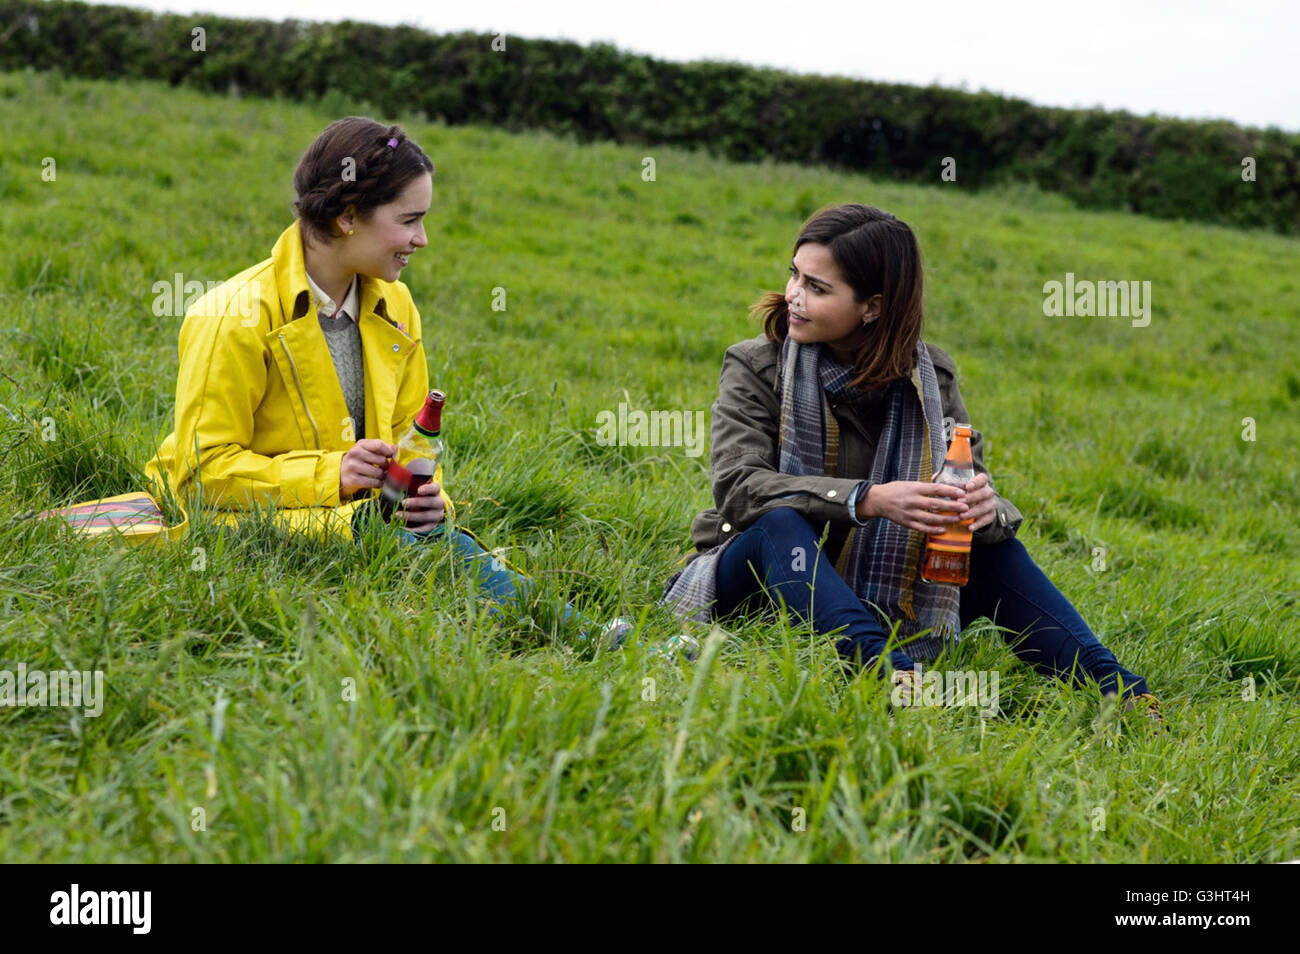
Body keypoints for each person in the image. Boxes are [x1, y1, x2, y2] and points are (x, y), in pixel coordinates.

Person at [660, 203, 1163, 727]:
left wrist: (985, 509)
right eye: (794, 275)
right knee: (779, 524)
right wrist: (866, 499)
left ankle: (1123, 694)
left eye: (817, 287)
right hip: (767, 580)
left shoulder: (932, 381)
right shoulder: (755, 365)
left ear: (872, 308)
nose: (793, 295)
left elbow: (962, 482)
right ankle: (896, 680)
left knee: (988, 547)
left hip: (888, 589)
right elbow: (740, 489)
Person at [145, 116, 629, 646]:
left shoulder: (394, 304)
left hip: (362, 522)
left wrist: (425, 494)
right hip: (243, 527)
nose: (422, 239)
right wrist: (334, 475)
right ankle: (590, 640)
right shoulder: (233, 316)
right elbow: (200, 472)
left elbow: (406, 440)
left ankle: (582, 636)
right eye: (410, 220)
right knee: (424, 559)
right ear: (349, 216)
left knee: (429, 538)